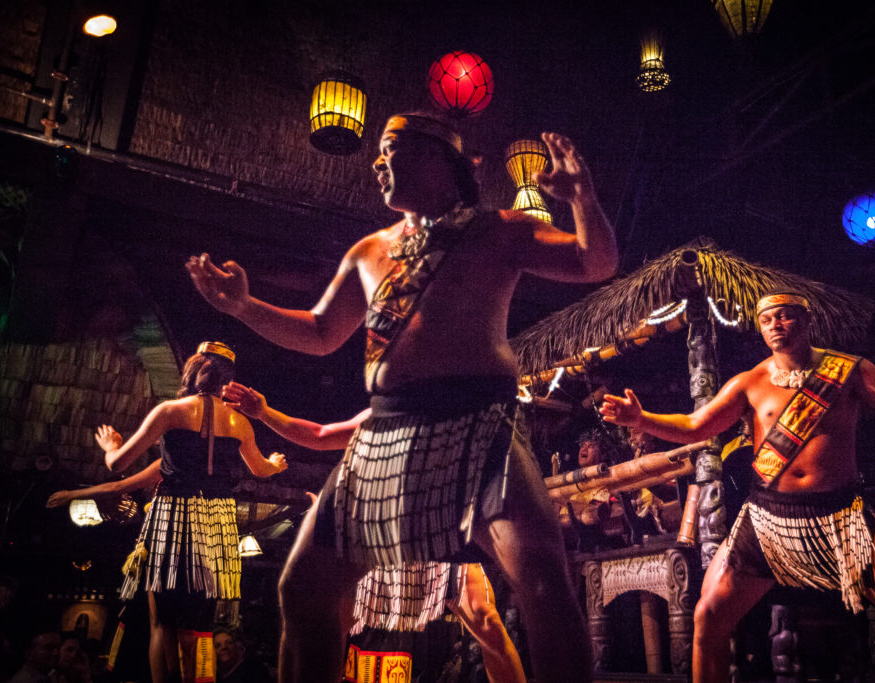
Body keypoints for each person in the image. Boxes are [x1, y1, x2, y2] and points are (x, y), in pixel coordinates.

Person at [187, 112, 617, 682]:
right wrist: (245, 307)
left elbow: (595, 262)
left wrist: (583, 196)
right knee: (304, 586)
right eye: (378, 155)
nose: (378, 163)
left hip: (478, 420)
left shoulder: (500, 229)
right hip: (386, 429)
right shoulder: (368, 252)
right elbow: (319, 333)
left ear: (441, 159)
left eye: (392, 149)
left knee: (541, 578)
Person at [599, 291, 875, 683]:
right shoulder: (750, 382)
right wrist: (641, 419)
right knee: (707, 617)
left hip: (842, 519)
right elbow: (697, 426)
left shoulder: (848, 370)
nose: (776, 326)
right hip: (768, 520)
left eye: (784, 317)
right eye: (767, 320)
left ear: (806, 319)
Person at [222, 380, 525, 683]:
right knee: (334, 627)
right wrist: (263, 412)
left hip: (440, 535)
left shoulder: (463, 419)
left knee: (488, 623)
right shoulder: (381, 418)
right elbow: (320, 434)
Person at [95, 342, 288, 683]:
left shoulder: (170, 410)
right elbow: (260, 470)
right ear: (227, 380)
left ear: (193, 370)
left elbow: (117, 463)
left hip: (173, 515)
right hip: (216, 522)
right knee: (197, 624)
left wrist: (111, 446)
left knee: (162, 624)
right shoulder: (239, 421)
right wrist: (274, 464)